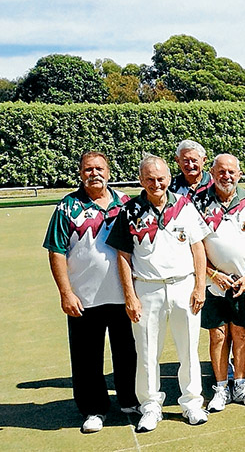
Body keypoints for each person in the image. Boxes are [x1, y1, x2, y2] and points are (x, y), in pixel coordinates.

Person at [107, 155, 210, 432]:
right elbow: (123, 256)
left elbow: (198, 248)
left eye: (161, 178)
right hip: (147, 288)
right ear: (141, 180)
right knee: (147, 352)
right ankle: (151, 405)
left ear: (168, 177)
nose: (156, 184)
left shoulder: (185, 205)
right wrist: (130, 295)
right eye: (150, 179)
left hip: (183, 287)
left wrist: (200, 286)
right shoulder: (129, 211)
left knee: (188, 348)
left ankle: (192, 403)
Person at [43, 151, 138, 434]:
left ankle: (130, 400)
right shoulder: (66, 206)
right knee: (87, 358)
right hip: (85, 298)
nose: (94, 173)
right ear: (80, 173)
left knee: (128, 352)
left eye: (99, 168)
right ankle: (94, 409)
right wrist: (65, 293)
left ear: (109, 171)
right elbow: (56, 252)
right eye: (88, 169)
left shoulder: (126, 203)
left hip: (125, 296)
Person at [194, 154, 245, 409]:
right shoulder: (198, 203)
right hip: (212, 283)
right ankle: (221, 387)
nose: (226, 176)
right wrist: (213, 273)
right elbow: (197, 246)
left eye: (231, 172)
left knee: (241, 335)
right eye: (221, 171)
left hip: (243, 284)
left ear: (239, 174)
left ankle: (239, 384)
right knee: (217, 336)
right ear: (212, 173)